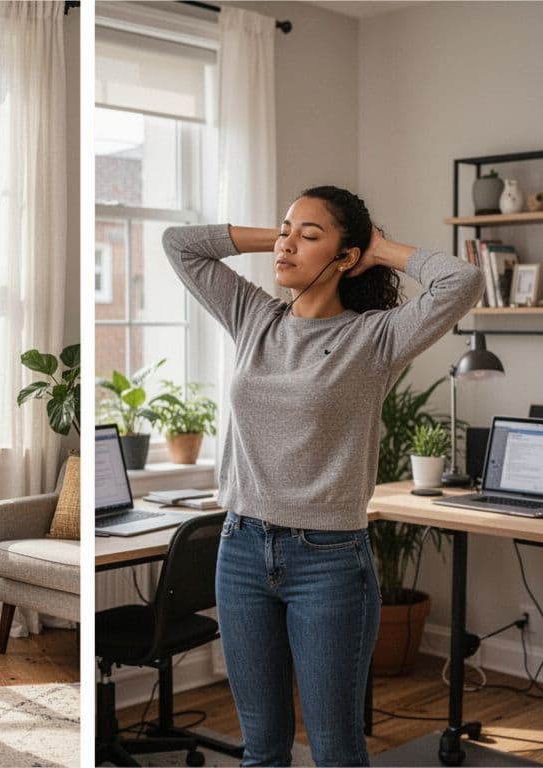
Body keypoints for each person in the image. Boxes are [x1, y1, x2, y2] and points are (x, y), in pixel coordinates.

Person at [163, 186, 483, 765]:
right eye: (287, 231)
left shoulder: (375, 337)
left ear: (346, 258)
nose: (287, 244)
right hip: (239, 550)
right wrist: (282, 233)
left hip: (329, 562)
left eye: (310, 236)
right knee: (261, 749)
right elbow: (180, 245)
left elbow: (461, 281)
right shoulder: (254, 315)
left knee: (335, 751)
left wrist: (379, 247)